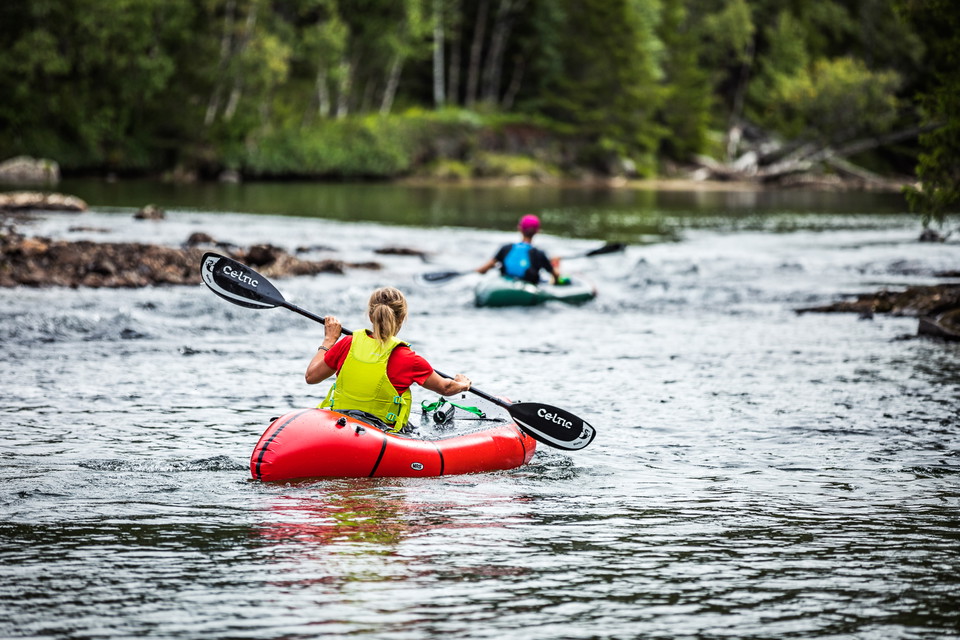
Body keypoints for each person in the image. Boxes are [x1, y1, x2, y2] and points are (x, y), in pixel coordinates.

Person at [305, 286, 471, 433]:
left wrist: (329, 340)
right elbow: (446, 388)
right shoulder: (409, 359)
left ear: (371, 316)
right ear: (402, 318)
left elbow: (311, 377)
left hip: (341, 424)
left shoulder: (348, 343)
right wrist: (462, 384)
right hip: (381, 434)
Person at [476, 214, 563, 285]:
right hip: (529, 287)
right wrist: (556, 264)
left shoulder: (505, 249)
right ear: (537, 231)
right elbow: (556, 276)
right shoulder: (539, 254)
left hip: (505, 284)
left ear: (519, 228)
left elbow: (482, 270)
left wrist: (483, 268)